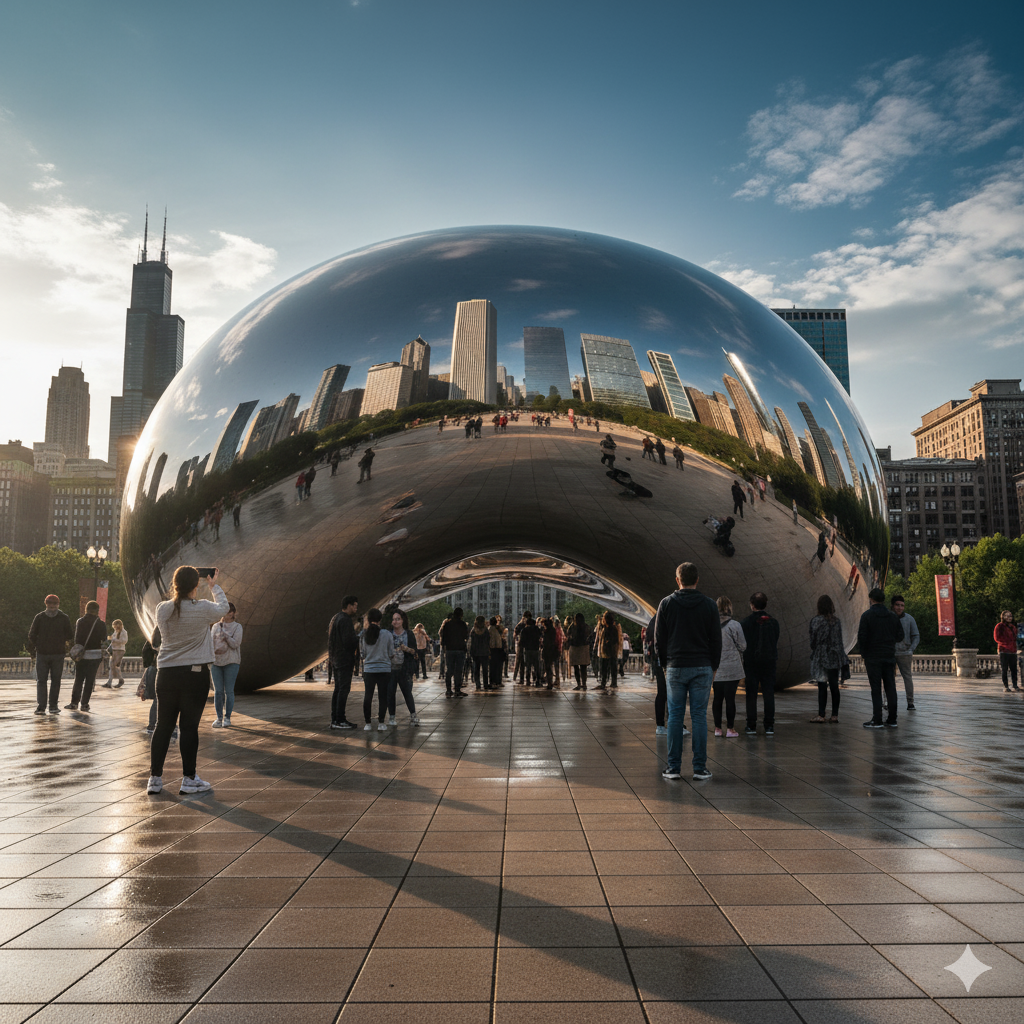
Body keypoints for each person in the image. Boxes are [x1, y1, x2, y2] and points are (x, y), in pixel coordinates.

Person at [148, 567, 229, 795]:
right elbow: (223, 609)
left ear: (174, 584)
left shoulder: (162, 609)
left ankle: (155, 779)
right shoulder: (202, 608)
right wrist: (214, 586)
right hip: (194, 676)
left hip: (166, 675)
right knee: (189, 727)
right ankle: (189, 778)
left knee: (162, 726)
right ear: (197, 585)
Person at [655, 562, 721, 781]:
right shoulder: (710, 605)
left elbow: (659, 641)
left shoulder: (666, 604)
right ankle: (699, 768)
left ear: (677, 580)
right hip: (702, 666)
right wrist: (714, 666)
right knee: (700, 716)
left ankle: (673, 768)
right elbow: (716, 640)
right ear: (697, 579)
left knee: (674, 716)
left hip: (675, 666)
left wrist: (665, 665)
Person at [858, 588, 904, 728]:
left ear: (871, 599)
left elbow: (862, 638)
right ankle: (892, 719)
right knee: (890, 688)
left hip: (873, 657)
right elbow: (900, 636)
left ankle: (877, 719)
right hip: (889, 656)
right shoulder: (892, 616)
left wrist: (864, 654)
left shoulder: (867, 616)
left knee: (876, 689)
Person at [740, 592, 780, 736]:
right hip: (769, 663)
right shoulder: (773, 622)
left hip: (751, 663)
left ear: (751, 605)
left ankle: (751, 725)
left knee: (751, 694)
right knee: (768, 693)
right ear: (766, 604)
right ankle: (769, 725)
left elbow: (742, 644)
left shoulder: (745, 623)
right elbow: (775, 640)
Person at [28, 594, 74, 714]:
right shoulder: (41, 617)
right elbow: (31, 634)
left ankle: (50, 706)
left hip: (55, 653)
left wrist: (39, 644)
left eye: (54, 603)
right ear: (46, 604)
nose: (52, 606)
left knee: (54, 680)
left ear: (58, 604)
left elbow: (70, 634)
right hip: (46, 653)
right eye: (50, 603)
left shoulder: (61, 618)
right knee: (43, 680)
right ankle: (44, 706)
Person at [66, 600, 107, 712]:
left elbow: (77, 639)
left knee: (79, 679)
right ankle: (85, 704)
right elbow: (104, 639)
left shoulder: (80, 621)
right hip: (95, 655)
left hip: (82, 655)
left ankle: (74, 703)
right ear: (97, 611)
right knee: (90, 680)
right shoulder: (101, 623)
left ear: (86, 609)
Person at [808, 595, 844, 723]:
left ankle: (821, 715)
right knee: (834, 686)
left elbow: (812, 642)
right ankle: (835, 715)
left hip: (821, 656)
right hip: (834, 656)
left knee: (822, 686)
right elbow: (839, 641)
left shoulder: (816, 621)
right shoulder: (837, 621)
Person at [713, 597, 746, 738]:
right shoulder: (735, 625)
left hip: (716, 669)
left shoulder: (711, 625)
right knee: (730, 699)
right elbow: (743, 646)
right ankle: (730, 729)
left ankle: (717, 729)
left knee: (717, 699)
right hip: (732, 668)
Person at [328, 596, 359, 729]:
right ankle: (340, 719)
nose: (356, 608)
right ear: (349, 605)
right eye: (355, 605)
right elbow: (348, 641)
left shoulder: (335, 618)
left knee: (338, 689)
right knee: (343, 689)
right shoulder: (345, 620)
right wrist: (358, 638)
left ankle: (335, 719)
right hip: (344, 659)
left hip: (336, 659)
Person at [210, 603, 243, 728]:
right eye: (225, 611)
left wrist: (226, 635)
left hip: (231, 662)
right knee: (218, 692)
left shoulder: (237, 627)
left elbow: (235, 644)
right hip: (216, 662)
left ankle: (227, 717)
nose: (228, 613)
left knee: (229, 691)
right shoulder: (215, 626)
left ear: (233, 613)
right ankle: (219, 718)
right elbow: (210, 643)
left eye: (230, 611)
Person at [360, 609, 393, 730]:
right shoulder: (387, 634)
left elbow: (362, 654)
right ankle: (381, 723)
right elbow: (391, 653)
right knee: (382, 696)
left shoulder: (364, 635)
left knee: (368, 696)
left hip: (369, 670)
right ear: (380, 620)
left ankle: (368, 723)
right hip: (384, 669)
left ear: (368, 620)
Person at [388, 610, 420, 724]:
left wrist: (406, 649)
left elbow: (414, 651)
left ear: (402, 621)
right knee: (390, 692)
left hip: (405, 668)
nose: (395, 622)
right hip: (391, 668)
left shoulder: (409, 634)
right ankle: (392, 717)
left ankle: (413, 715)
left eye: (398, 619)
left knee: (407, 692)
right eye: (393, 619)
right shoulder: (388, 633)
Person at [892, 595, 920, 709]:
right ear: (892, 606)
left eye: (902, 605)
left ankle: (910, 702)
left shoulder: (909, 618)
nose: (900, 608)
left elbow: (916, 635)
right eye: (897, 605)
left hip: (905, 653)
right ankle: (888, 701)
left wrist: (911, 649)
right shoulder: (888, 617)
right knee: (889, 678)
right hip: (890, 653)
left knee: (907, 677)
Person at [440, 607, 470, 697]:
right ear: (461, 615)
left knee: (449, 670)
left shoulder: (447, 624)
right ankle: (457, 690)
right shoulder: (463, 624)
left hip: (450, 649)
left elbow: (443, 637)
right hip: (460, 649)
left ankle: (448, 690)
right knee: (458, 670)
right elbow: (466, 636)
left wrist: (445, 647)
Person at [597, 611, 622, 689]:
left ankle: (606, 683)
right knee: (608, 667)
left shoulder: (611, 628)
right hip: (608, 651)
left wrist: (607, 643)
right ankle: (607, 682)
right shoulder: (606, 627)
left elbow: (613, 640)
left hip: (609, 651)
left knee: (607, 667)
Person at [995, 610, 1019, 692]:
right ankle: (1006, 686)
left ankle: (1015, 685)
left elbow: (1015, 638)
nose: (1009, 618)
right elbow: (996, 638)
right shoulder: (999, 626)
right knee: (1004, 669)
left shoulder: (1013, 627)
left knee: (1014, 669)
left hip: (1013, 651)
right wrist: (1005, 644)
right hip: (1004, 650)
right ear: (1003, 617)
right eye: (1007, 616)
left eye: (1010, 616)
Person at [102, 619, 129, 688]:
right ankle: (117, 680)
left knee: (114, 665)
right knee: (113, 666)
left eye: (115, 626)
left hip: (120, 650)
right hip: (114, 650)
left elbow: (124, 641)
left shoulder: (124, 632)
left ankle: (112, 681)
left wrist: (115, 640)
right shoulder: (116, 632)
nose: (114, 628)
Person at [568, 613, 591, 691]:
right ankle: (584, 684)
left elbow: (568, 633)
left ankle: (579, 684)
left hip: (575, 647)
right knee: (583, 667)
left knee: (576, 667)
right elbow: (589, 634)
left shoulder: (573, 626)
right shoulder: (586, 626)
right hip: (583, 647)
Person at [469, 615, 492, 690]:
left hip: (475, 653)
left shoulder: (473, 631)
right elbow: (488, 641)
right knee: (485, 670)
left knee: (476, 669)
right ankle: (485, 684)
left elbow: (471, 643)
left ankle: (478, 684)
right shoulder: (486, 631)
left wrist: (471, 652)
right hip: (484, 652)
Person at [519, 613, 542, 685]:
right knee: (536, 666)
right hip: (535, 649)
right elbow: (540, 637)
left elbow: (521, 641)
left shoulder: (524, 630)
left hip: (527, 650)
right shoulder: (537, 629)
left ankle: (528, 680)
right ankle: (538, 680)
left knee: (528, 666)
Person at [541, 617, 559, 688]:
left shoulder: (546, 632)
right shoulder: (553, 630)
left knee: (547, 667)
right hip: (552, 650)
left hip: (547, 651)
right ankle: (550, 682)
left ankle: (549, 682)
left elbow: (545, 642)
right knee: (550, 667)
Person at [488, 617, 505, 689]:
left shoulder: (490, 629)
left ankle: (493, 681)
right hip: (495, 650)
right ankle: (496, 681)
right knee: (496, 667)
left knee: (493, 667)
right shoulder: (494, 630)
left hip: (492, 650)